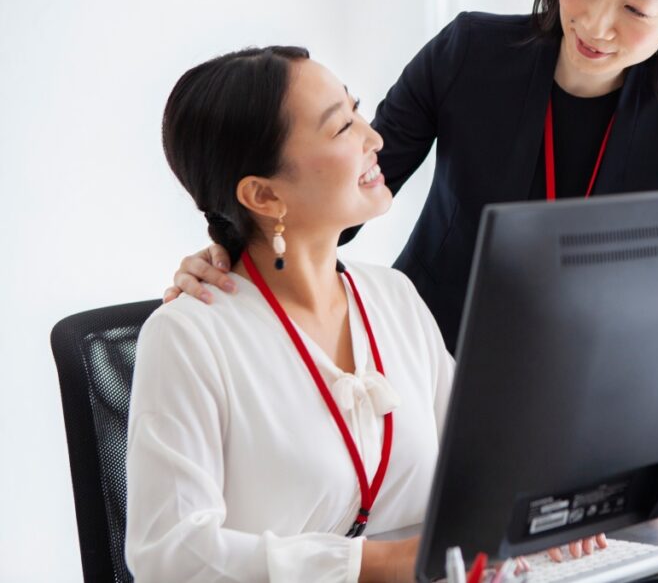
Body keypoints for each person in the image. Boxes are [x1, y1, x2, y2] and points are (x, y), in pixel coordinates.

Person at [166, 0, 658, 353]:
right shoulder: (471, 53)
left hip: (575, 378)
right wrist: (234, 258)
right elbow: (347, 186)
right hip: (426, 348)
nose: (595, 22)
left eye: (636, 10)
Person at [125, 47, 455, 582]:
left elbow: (484, 463)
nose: (374, 139)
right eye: (342, 126)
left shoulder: (394, 298)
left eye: (357, 110)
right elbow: (171, 557)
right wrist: (374, 566)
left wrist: (556, 519)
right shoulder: (187, 336)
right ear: (263, 195)